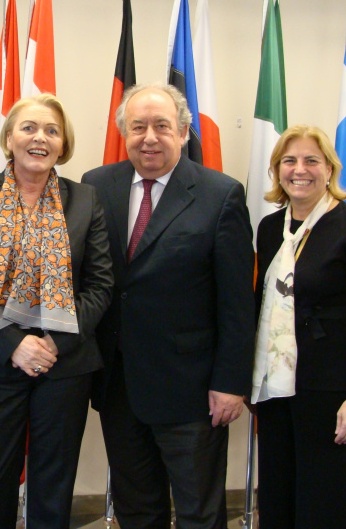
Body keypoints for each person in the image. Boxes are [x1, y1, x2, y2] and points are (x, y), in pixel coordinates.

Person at [82, 83, 255, 529]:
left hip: (192, 392)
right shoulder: (96, 185)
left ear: (182, 130)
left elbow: (237, 303)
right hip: (118, 385)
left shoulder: (221, 195)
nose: (149, 137)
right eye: (138, 127)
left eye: (161, 126)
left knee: (199, 512)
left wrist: (230, 383)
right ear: (124, 133)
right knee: (137, 510)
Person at [0, 93, 114, 529]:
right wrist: (13, 345)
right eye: (29, 128)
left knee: (53, 484)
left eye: (52, 131)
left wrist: (51, 344)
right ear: (9, 138)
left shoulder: (86, 200)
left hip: (65, 363)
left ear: (63, 145)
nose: (40, 137)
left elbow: (100, 286)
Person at [251, 124, 346, 528]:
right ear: (277, 170)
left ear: (329, 169)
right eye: (289, 161)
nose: (300, 169)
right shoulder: (269, 228)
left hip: (331, 395)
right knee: (276, 503)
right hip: (275, 391)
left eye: (312, 160)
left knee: (323, 507)